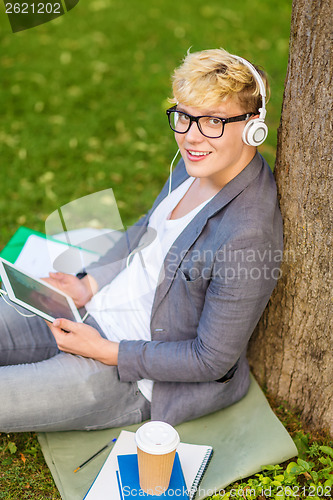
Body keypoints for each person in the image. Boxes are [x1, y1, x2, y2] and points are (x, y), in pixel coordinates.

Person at [0, 48, 283, 432]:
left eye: (213, 121)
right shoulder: (198, 164)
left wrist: (105, 351)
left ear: (254, 126)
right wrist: (88, 285)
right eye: (184, 117)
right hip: (87, 311)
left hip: (130, 374)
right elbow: (145, 229)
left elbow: (211, 359)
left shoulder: (249, 234)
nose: (190, 137)